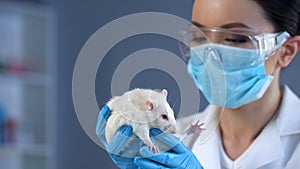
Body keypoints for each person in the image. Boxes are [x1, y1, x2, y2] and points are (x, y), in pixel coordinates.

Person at [96, 0, 300, 168]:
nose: (209, 56)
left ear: (286, 50)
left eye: (235, 39)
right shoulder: (174, 140)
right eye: (199, 37)